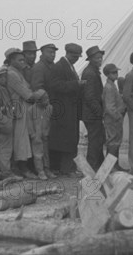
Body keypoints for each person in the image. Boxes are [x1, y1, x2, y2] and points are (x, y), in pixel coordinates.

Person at [5, 48, 46, 179]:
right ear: (11, 61)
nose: (23, 62)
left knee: (26, 139)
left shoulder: (19, 72)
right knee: (21, 140)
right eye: (20, 60)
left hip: (25, 108)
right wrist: (40, 94)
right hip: (19, 109)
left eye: (23, 59)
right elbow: (27, 94)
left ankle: (24, 167)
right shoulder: (11, 74)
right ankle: (22, 168)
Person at [48, 43, 85, 177]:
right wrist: (76, 84)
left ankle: (66, 168)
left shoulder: (69, 67)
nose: (76, 59)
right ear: (68, 54)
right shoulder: (59, 67)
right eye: (75, 56)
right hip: (63, 110)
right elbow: (55, 86)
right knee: (64, 140)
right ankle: (66, 169)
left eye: (78, 57)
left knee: (68, 139)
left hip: (69, 109)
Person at [29, 43, 58, 179]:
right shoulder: (39, 67)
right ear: (42, 53)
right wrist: (43, 99)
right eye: (49, 52)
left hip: (45, 119)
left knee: (46, 150)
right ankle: (40, 170)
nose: (52, 55)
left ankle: (47, 169)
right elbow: (37, 87)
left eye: (54, 52)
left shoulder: (51, 67)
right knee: (38, 152)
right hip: (37, 128)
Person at [81, 45, 106, 171]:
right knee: (95, 140)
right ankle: (91, 167)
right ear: (90, 59)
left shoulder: (92, 71)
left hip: (92, 113)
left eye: (101, 58)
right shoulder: (90, 73)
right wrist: (99, 112)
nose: (100, 60)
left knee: (97, 139)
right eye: (97, 58)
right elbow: (90, 97)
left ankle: (98, 166)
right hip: (92, 114)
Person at [102, 63, 126, 171]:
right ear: (107, 74)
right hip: (112, 118)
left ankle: (114, 165)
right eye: (113, 72)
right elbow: (109, 107)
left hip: (114, 117)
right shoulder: (109, 87)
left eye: (116, 72)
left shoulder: (112, 85)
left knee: (116, 141)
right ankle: (110, 166)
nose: (116, 74)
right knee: (113, 141)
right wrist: (118, 116)